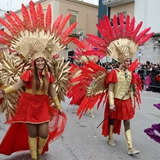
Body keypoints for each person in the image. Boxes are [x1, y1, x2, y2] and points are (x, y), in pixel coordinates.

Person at [0, 1, 76, 160]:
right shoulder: (28, 74)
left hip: (42, 105)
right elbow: (17, 85)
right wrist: (4, 91)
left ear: (46, 61)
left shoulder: (49, 75)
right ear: (34, 62)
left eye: (43, 60)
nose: (41, 62)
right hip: (28, 104)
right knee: (32, 133)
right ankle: (35, 157)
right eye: (38, 61)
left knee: (44, 133)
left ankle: (39, 151)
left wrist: (58, 104)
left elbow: (52, 90)